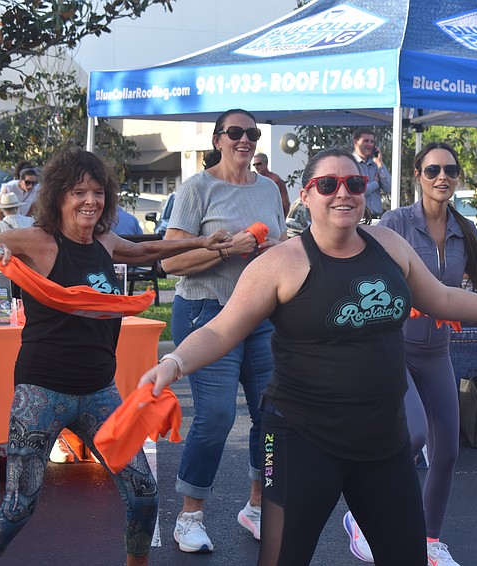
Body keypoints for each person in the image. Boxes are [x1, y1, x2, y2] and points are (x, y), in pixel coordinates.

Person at [138, 147, 477, 566]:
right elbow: (219, 329)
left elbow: (444, 300)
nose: (342, 192)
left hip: (382, 439)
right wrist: (173, 364)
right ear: (306, 196)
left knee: (407, 556)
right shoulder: (282, 263)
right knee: (283, 557)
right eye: (328, 184)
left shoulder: (389, 246)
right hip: (299, 439)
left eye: (354, 183)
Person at [0, 148, 230, 566]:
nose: (90, 201)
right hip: (41, 393)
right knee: (19, 506)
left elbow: (144, 251)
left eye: (97, 192)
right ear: (58, 198)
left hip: (99, 393)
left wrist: (203, 241)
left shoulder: (105, 242)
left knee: (144, 493)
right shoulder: (39, 241)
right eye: (78, 192)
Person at [344, 141, 477, 566]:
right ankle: (361, 516)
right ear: (417, 176)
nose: (441, 177)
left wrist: (466, 303)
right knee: (411, 434)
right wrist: (404, 301)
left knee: (447, 450)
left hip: (438, 353)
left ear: (458, 177)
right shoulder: (396, 223)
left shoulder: (464, 229)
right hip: (396, 349)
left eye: (449, 170)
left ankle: (428, 541)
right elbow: (364, 276)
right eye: (432, 171)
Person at [162, 108, 287, 553]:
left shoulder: (270, 189)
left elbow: (281, 245)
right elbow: (171, 261)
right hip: (206, 311)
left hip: (260, 316)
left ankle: (256, 507)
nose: (245, 140)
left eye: (252, 133)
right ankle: (189, 515)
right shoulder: (198, 188)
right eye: (235, 132)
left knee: (272, 415)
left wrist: (276, 250)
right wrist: (225, 251)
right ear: (217, 139)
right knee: (216, 415)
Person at [352, 126, 391, 218]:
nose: (370, 145)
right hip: (359, 219)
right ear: (355, 142)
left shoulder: (375, 164)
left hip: (377, 217)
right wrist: (376, 183)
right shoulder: (350, 164)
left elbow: (389, 188)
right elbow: (358, 191)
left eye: (372, 142)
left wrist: (380, 164)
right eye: (366, 141)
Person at [252, 152, 291, 218]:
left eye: (259, 164)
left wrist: (281, 221)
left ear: (266, 163)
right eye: (254, 165)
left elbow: (285, 203)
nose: (256, 167)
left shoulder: (276, 180)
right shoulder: (254, 180)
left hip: (272, 218)